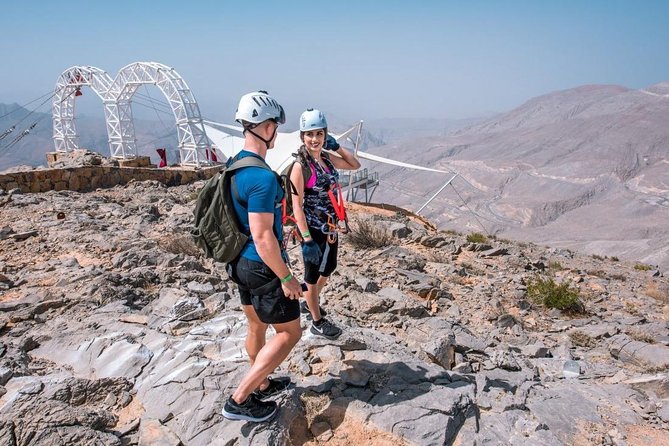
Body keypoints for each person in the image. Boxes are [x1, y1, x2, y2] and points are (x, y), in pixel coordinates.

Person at [222, 91, 303, 423]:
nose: (276, 133)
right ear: (266, 126)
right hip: (261, 264)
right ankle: (240, 398)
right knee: (289, 332)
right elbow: (263, 235)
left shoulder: (234, 166)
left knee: (256, 324)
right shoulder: (262, 177)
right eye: (275, 126)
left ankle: (264, 384)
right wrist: (286, 277)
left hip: (238, 262)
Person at [289, 109, 361, 339]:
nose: (315, 139)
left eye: (319, 134)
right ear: (302, 137)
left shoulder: (327, 160)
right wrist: (307, 239)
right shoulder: (301, 167)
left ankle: (310, 302)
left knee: (328, 268)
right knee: (311, 276)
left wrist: (336, 146)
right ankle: (317, 321)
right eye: (309, 134)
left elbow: (354, 165)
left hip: (330, 226)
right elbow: (296, 205)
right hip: (312, 229)